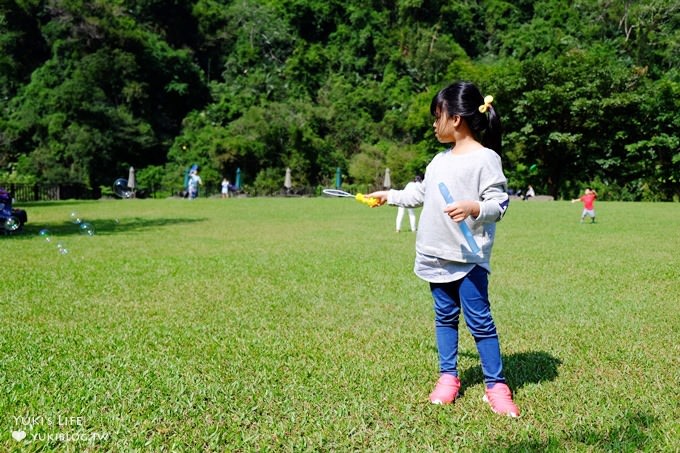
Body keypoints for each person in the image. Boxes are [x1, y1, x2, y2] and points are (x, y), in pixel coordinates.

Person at [366, 81, 519, 417]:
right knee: (445, 318)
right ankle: (449, 376)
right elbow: (418, 195)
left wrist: (473, 207)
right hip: (435, 254)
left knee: (480, 322)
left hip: (467, 259)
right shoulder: (437, 161)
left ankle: (496, 385)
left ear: (457, 119)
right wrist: (388, 195)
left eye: (438, 117)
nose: (434, 124)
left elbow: (500, 203)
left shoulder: (486, 159)